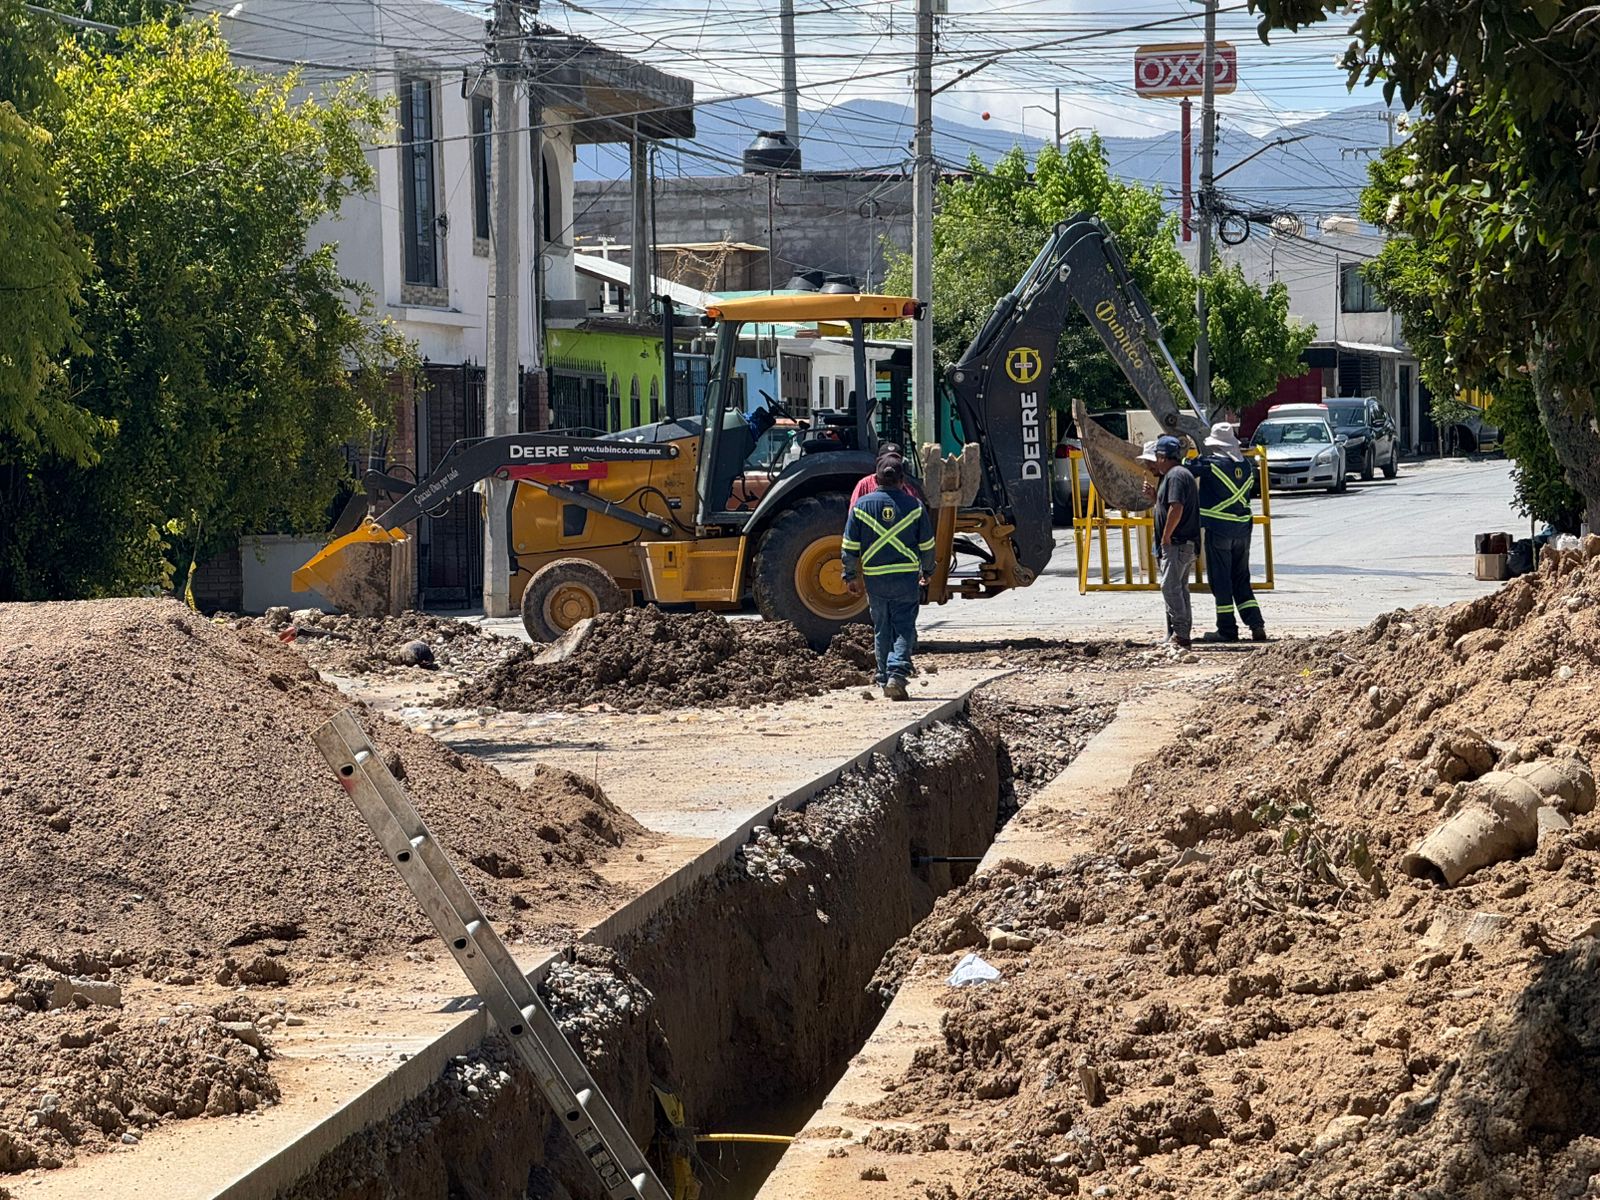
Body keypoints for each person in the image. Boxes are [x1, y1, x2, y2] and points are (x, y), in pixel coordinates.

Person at [841, 457, 935, 700]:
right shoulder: (915, 506)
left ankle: (883, 677)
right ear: (902, 480)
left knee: (881, 629)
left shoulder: (860, 506)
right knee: (903, 627)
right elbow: (927, 545)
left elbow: (849, 545)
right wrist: (928, 571)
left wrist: (850, 575)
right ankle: (896, 673)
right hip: (904, 578)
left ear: (875, 479)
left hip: (875, 579)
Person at [1193, 422, 1267, 643]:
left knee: (1221, 581)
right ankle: (1256, 624)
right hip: (1243, 531)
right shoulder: (1246, 466)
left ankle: (1226, 629)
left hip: (1219, 530)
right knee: (1241, 579)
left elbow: (1183, 468)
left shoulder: (1209, 465)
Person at [1142, 434, 1200, 649]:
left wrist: (1166, 537)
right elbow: (1170, 505)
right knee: (1179, 588)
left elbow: (1176, 508)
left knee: (1170, 587)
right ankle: (1180, 633)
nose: (1154, 462)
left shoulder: (1175, 476)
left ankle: (1181, 635)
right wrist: (1155, 497)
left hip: (1177, 543)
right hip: (1181, 543)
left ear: (1163, 457)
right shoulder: (1177, 475)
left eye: (1156, 457)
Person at [850, 442, 926, 507]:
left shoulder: (911, 486)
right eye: (886, 460)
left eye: (895, 460)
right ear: (879, 462)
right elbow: (854, 512)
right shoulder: (864, 485)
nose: (890, 464)